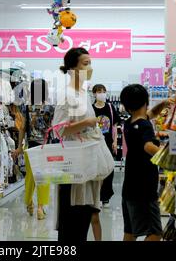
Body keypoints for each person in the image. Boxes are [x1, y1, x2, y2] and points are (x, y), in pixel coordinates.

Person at [52, 47, 110, 242]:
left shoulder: (84, 93)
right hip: (73, 165)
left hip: (88, 164)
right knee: (72, 222)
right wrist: (86, 123)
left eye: (90, 63)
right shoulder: (66, 94)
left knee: (85, 217)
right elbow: (58, 130)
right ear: (72, 69)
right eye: (86, 64)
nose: (90, 67)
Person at [119, 84, 170, 241]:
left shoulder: (130, 123)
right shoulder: (145, 126)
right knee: (155, 233)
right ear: (145, 101)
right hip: (144, 189)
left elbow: (150, 114)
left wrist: (164, 104)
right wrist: (170, 159)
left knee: (130, 231)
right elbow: (148, 147)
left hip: (129, 187)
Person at [12, 79, 53, 220]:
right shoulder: (49, 107)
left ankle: (30, 202)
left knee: (31, 176)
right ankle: (40, 207)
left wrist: (19, 146)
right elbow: (54, 127)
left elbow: (23, 127)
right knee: (44, 177)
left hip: (32, 146)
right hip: (46, 146)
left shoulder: (26, 106)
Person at [89, 84, 120, 241]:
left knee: (108, 168)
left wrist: (115, 141)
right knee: (96, 169)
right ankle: (97, 198)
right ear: (94, 94)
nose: (101, 94)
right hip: (94, 143)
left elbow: (114, 125)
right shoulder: (91, 108)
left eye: (103, 91)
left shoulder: (110, 107)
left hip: (107, 142)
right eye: (98, 91)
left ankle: (106, 196)